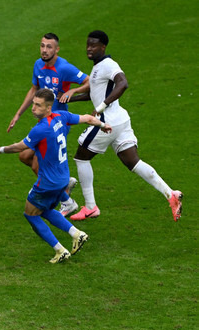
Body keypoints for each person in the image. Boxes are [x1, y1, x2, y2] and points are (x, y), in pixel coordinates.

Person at [70, 30, 183, 221]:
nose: (89, 48)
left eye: (94, 45)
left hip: (107, 121)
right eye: (88, 44)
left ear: (103, 47)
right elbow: (95, 93)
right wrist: (68, 99)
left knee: (81, 157)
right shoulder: (98, 67)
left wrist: (101, 108)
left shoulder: (108, 65)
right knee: (134, 162)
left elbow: (123, 83)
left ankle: (90, 207)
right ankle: (170, 194)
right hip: (120, 119)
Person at [0, 89, 112, 262]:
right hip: (63, 178)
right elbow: (88, 118)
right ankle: (77, 234)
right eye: (33, 104)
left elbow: (20, 147)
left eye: (38, 105)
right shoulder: (62, 115)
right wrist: (102, 125)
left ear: (48, 108)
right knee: (45, 210)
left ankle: (60, 250)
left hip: (48, 183)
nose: (33, 108)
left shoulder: (41, 129)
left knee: (30, 214)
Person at [7, 33, 90, 217]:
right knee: (25, 156)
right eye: (42, 46)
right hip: (42, 123)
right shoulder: (38, 65)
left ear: (57, 49)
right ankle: (64, 185)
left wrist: (73, 91)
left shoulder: (64, 68)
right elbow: (33, 89)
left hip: (57, 124)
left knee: (39, 165)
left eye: (49, 47)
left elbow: (88, 80)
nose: (45, 50)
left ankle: (67, 202)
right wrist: (18, 114)